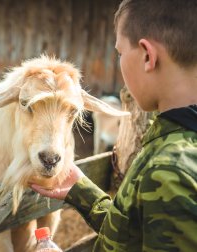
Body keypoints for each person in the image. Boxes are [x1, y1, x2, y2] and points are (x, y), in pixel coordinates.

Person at [30, 0, 197, 251]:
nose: (119, 62)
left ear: (147, 56)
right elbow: (136, 235)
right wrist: (83, 193)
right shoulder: (177, 144)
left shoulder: (169, 170)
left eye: (120, 52)